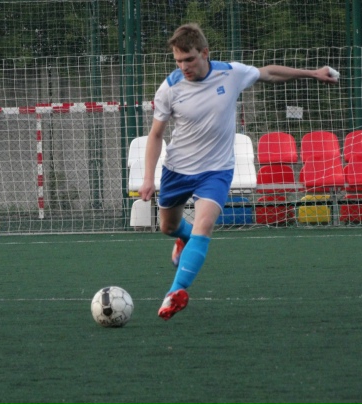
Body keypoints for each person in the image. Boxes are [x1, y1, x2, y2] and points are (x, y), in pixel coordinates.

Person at [138, 23, 338, 321]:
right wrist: (147, 177)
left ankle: (175, 292)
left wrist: (312, 73)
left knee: (204, 225)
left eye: (189, 59)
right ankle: (184, 238)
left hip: (216, 171)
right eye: (178, 61)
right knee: (168, 227)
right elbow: (155, 135)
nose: (184, 67)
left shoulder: (230, 73)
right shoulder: (170, 88)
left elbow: (268, 73)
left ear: (205, 52)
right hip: (177, 170)